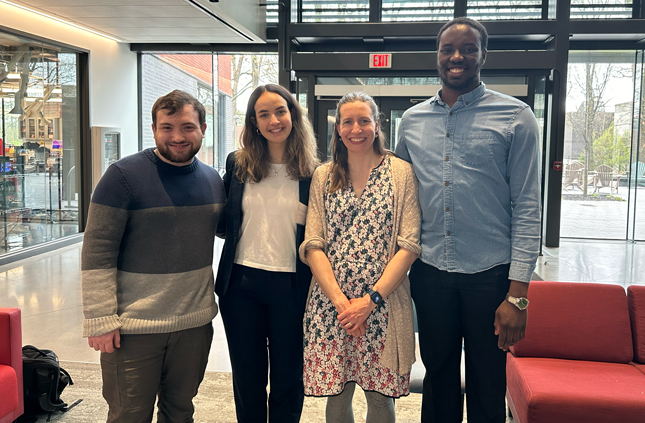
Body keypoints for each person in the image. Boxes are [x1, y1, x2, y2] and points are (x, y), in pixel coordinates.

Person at [395, 17, 541, 423]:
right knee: (437, 377)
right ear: (437, 57)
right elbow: (401, 200)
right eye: (448, 49)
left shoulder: (516, 117)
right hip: (430, 274)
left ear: (483, 55)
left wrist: (518, 295)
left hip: (490, 277)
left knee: (487, 381)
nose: (457, 57)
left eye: (468, 48)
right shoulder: (411, 122)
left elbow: (528, 208)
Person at [81, 90, 225, 423]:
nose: (177, 137)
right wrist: (100, 317)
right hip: (134, 328)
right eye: (167, 127)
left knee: (180, 410)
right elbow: (98, 248)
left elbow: (232, 229)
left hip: (194, 324)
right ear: (154, 128)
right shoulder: (122, 177)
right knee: (129, 414)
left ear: (203, 128)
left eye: (187, 127)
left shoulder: (213, 181)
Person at [300, 92, 421, 423]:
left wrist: (369, 302)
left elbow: (408, 245)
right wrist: (342, 304)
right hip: (331, 307)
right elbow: (314, 244)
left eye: (364, 120)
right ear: (338, 128)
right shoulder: (323, 175)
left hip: (383, 305)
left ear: (377, 124)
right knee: (337, 396)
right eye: (348, 121)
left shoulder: (401, 173)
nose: (357, 129)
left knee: (380, 399)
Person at [215, 83, 319, 423]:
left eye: (280, 111)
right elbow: (222, 223)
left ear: (293, 115)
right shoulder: (238, 164)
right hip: (240, 286)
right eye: (264, 114)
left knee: (289, 378)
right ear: (254, 122)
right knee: (248, 378)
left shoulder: (315, 173)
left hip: (292, 287)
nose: (274, 120)